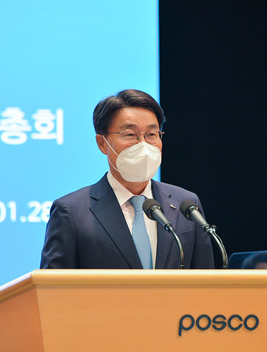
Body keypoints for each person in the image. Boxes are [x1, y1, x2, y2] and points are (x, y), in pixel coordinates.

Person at [40, 89, 214, 269]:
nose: (143, 145)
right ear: (102, 143)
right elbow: (53, 291)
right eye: (130, 135)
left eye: (152, 135)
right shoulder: (71, 212)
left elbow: (206, 283)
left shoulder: (185, 204)